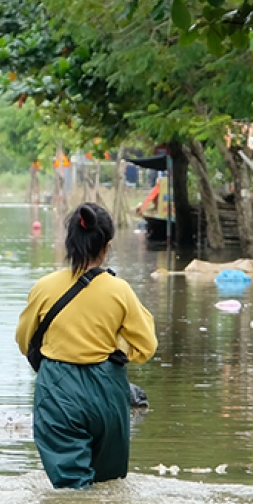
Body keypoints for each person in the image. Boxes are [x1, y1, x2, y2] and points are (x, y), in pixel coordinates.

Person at [15, 203, 158, 489]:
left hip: (58, 390)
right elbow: (146, 347)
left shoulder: (44, 287)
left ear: (69, 242)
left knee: (72, 487)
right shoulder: (120, 291)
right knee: (107, 484)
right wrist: (117, 350)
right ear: (107, 246)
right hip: (107, 390)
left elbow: (23, 340)